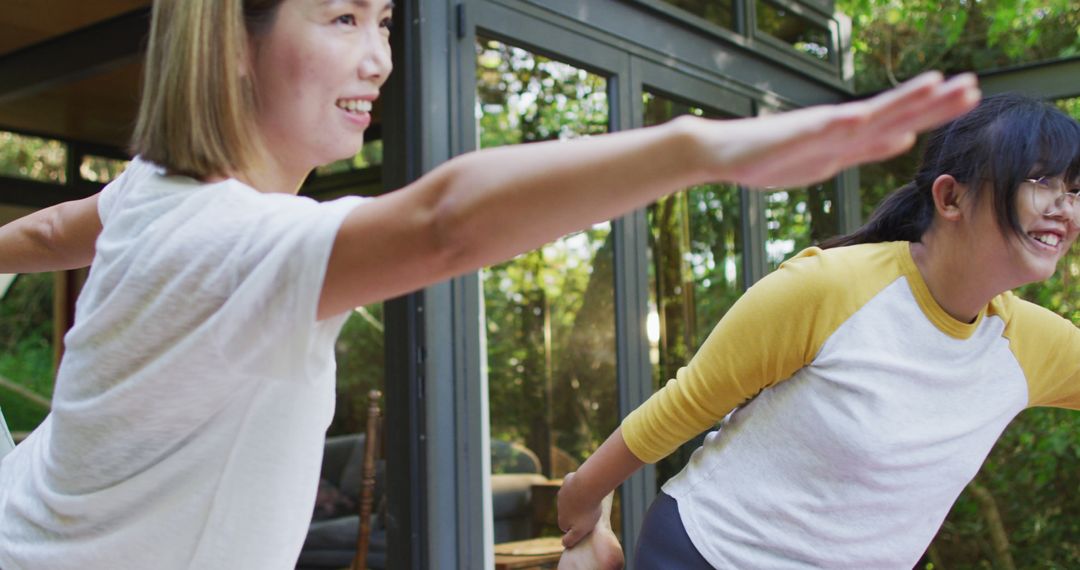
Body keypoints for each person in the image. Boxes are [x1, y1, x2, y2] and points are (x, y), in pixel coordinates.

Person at [0, 0, 980, 568]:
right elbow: (440, 223)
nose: (378, 56)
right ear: (231, 44)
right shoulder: (232, 237)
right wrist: (701, 146)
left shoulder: (152, 195)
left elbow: (49, 229)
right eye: (341, 16)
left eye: (382, 18)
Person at [556, 93, 1080, 569]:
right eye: (1041, 180)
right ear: (950, 199)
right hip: (707, 554)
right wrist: (584, 500)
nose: (1065, 206)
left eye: (1075, 189)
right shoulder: (828, 288)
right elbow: (686, 404)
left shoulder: (1029, 345)